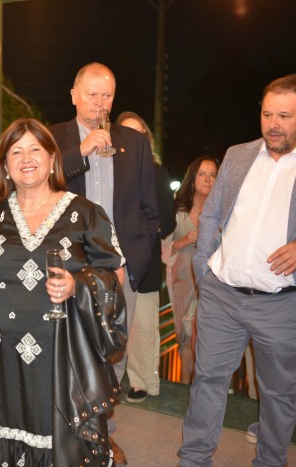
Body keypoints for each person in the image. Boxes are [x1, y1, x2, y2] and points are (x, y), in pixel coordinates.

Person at [0, 118, 127, 467]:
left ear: (53, 158)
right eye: (15, 152)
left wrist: (77, 285)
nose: (26, 158)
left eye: (35, 149)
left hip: (58, 357)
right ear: (4, 165)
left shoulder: (85, 213)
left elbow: (114, 274)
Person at [178, 74, 296, 467]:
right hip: (222, 295)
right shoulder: (238, 155)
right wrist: (204, 268)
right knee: (207, 381)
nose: (273, 124)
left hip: (282, 305)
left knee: (278, 395)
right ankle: (194, 459)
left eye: (284, 116)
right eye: (267, 114)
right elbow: (212, 213)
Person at [49, 62, 159, 464]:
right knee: (64, 348)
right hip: (67, 264)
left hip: (118, 268)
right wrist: (80, 151)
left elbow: (149, 209)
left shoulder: (134, 142)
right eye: (92, 93)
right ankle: (61, 429)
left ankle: (101, 434)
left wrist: (133, 259)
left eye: (107, 94)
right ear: (74, 95)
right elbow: (39, 183)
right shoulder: (52, 138)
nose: (100, 102)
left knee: (113, 353)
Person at [116, 111, 176, 403]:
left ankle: (141, 382)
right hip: (109, 260)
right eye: (125, 133)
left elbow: (168, 220)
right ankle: (109, 379)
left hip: (144, 262)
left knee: (141, 326)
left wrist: (141, 237)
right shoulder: (104, 171)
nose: (131, 140)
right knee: (110, 324)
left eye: (138, 134)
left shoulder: (156, 172)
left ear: (146, 140)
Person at [163, 156, 219, 384]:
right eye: (202, 174)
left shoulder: (221, 213)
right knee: (184, 338)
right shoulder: (176, 211)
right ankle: (184, 388)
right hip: (182, 282)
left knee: (202, 337)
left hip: (210, 284)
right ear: (193, 178)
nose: (208, 179)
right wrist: (182, 241)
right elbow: (162, 246)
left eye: (213, 175)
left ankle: (200, 390)